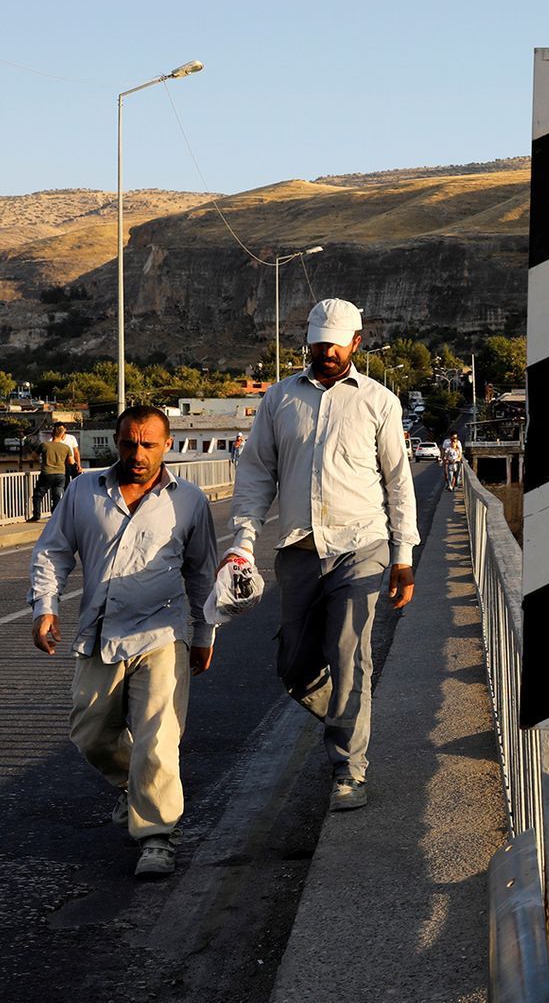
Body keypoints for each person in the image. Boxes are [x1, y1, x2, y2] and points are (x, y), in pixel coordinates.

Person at [228, 298, 418, 813]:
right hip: (298, 550)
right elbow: (254, 477)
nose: (326, 351)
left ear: (357, 342)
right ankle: (346, 717)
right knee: (295, 668)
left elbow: (399, 483)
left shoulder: (379, 401)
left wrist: (402, 555)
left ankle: (348, 769)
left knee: (350, 653)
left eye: (336, 342)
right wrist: (242, 544)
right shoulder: (278, 401)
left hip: (362, 546)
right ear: (307, 342)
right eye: (318, 341)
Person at [27, 405, 218, 878]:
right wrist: (45, 607)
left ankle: (157, 836)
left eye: (149, 444)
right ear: (116, 441)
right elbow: (53, 550)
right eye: (129, 443)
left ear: (167, 444)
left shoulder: (189, 500)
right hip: (99, 631)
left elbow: (201, 572)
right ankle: (135, 788)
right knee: (89, 731)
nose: (138, 453)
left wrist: (204, 632)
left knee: (158, 739)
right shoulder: (82, 490)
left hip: (162, 632)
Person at [29, 422, 80, 522]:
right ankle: (56, 517)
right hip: (61, 474)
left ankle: (36, 515)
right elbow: (71, 461)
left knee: (38, 495)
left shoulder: (44, 445)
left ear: (52, 434)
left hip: (46, 473)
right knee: (57, 495)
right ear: (62, 435)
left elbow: (34, 456)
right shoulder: (66, 448)